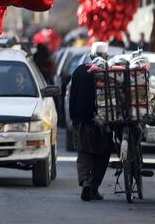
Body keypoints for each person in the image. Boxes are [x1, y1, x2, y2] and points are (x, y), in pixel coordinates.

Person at [69, 41, 113, 202]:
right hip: (103, 122)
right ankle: (94, 187)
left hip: (81, 120)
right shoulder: (109, 72)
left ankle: (86, 184)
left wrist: (73, 116)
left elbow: (71, 96)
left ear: (91, 56)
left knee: (84, 153)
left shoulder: (79, 71)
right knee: (102, 154)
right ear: (106, 56)